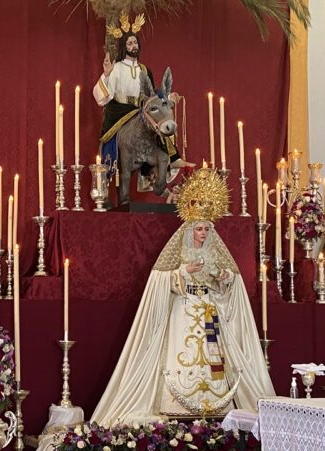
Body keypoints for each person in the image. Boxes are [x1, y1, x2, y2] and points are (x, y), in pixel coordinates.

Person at [91, 170, 275, 424]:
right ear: (190, 230)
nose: (203, 233)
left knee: (214, 357)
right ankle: (176, 404)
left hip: (209, 311)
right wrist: (182, 272)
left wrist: (222, 276)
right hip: (184, 310)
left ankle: (214, 404)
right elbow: (159, 279)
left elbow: (232, 280)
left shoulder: (215, 251)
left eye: (206, 229)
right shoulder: (178, 251)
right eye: (199, 229)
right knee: (183, 352)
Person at [93, 12, 191, 195]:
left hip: (140, 109)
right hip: (120, 110)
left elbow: (152, 95)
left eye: (135, 42)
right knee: (115, 136)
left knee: (161, 121)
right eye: (130, 43)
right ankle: (111, 163)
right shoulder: (117, 68)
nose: (133, 45)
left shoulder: (145, 70)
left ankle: (171, 158)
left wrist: (167, 99)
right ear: (124, 46)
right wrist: (106, 75)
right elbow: (102, 98)